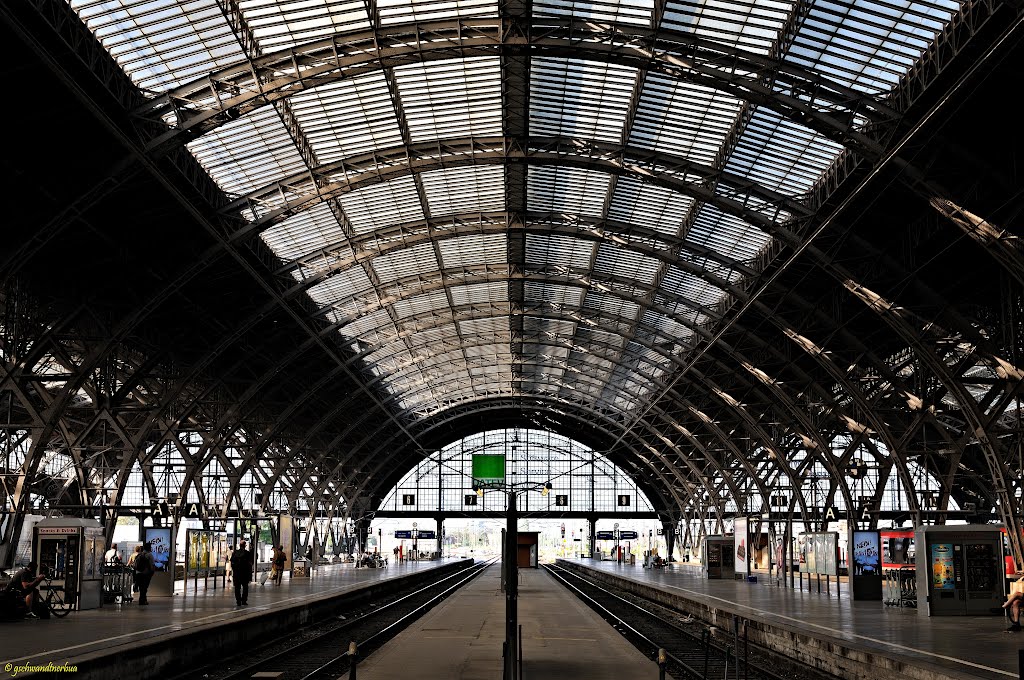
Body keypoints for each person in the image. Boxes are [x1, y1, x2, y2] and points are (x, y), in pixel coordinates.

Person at [230, 540, 254, 605]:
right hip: (244, 573)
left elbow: (232, 563)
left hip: (236, 574)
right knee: (245, 588)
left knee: (237, 588)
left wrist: (235, 570)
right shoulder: (247, 553)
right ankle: (244, 600)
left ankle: (238, 601)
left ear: (240, 546)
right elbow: (250, 564)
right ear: (245, 545)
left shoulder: (235, 553)